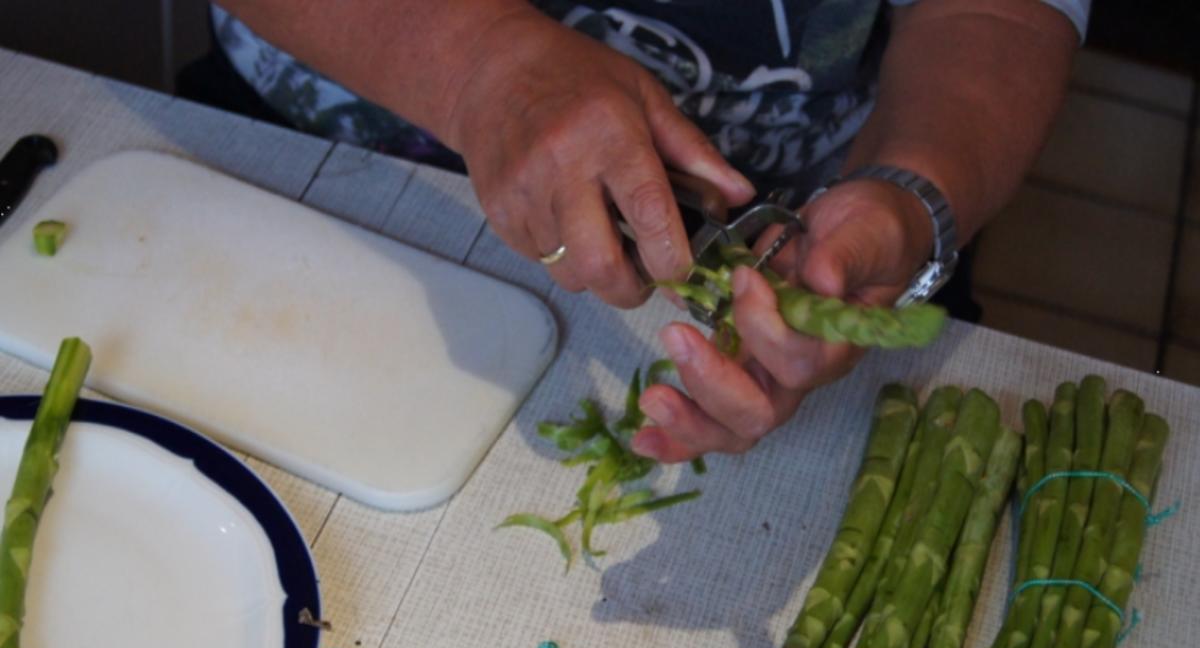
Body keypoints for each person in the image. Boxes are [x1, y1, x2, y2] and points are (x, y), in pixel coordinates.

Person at [207, 1, 1087, 462]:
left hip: (799, 222)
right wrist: (474, 67)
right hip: (318, 156)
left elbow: (999, 14)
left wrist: (909, 194)